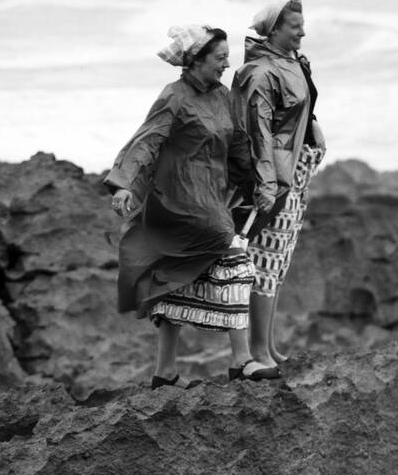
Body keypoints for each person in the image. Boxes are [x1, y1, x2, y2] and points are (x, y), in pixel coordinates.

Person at [105, 24, 281, 387]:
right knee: (236, 260)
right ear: (196, 60)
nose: (226, 64)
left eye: (226, 57)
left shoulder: (223, 97)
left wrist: (261, 186)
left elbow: (238, 147)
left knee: (175, 279)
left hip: (211, 198)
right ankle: (242, 360)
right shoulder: (174, 96)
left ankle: (164, 373)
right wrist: (123, 186)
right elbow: (147, 141)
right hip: (177, 201)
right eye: (219, 58)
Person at [232, 0, 326, 369]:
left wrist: (314, 133)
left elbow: (303, 110)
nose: (303, 30)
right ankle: (256, 351)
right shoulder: (259, 72)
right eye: (294, 26)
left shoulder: (294, 63)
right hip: (273, 176)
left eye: (303, 24)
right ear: (273, 30)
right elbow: (257, 132)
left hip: (296, 172)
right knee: (263, 262)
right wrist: (266, 183)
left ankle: (267, 347)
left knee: (279, 262)